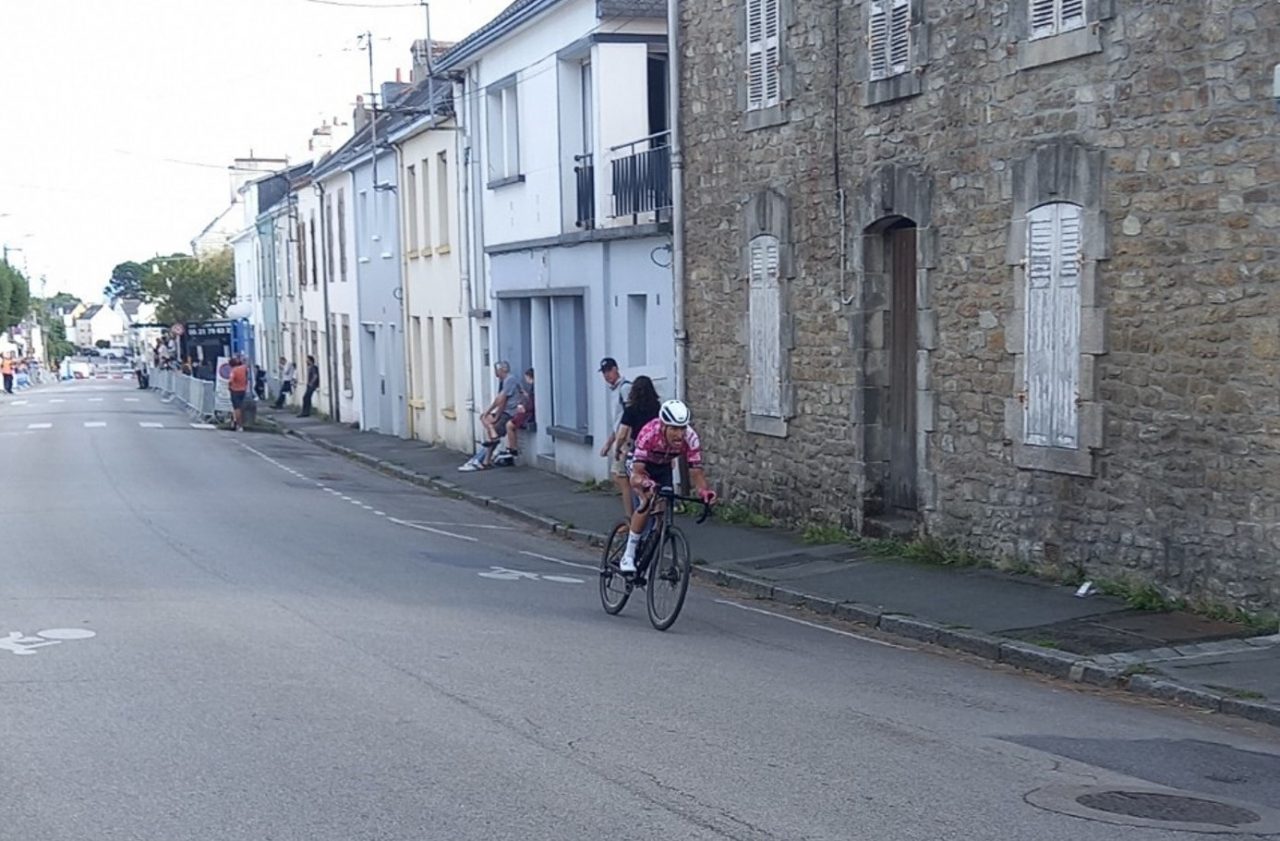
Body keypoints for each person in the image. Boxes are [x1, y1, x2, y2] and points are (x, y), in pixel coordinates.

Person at [619, 399, 717, 573]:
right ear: (663, 426)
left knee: (663, 506)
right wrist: (645, 483)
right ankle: (629, 553)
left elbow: (696, 471)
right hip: (640, 465)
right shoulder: (649, 433)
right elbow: (637, 473)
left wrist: (704, 492)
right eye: (674, 428)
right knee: (647, 500)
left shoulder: (691, 438)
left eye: (683, 428)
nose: (679, 434)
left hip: (663, 466)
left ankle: (653, 540)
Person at [459, 361, 521, 472]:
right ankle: (486, 456)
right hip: (505, 412)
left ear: (502, 370)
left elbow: (502, 401)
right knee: (484, 418)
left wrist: (496, 415)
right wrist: (488, 412)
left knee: (493, 436)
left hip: (509, 413)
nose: (495, 373)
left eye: (496, 370)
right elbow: (499, 399)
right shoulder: (504, 381)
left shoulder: (509, 380)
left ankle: (482, 460)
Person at [597, 358, 634, 515]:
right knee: (618, 477)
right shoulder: (614, 391)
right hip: (619, 439)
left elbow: (630, 417)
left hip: (625, 441)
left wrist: (626, 443)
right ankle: (632, 513)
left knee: (622, 479)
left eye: (609, 371)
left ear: (616, 369)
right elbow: (617, 422)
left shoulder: (624, 389)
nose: (606, 375)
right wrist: (608, 443)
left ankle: (631, 517)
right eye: (604, 372)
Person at [614, 375, 661, 478]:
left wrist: (617, 449)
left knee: (636, 479)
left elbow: (622, 434)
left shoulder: (631, 410)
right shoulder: (658, 407)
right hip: (656, 448)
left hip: (638, 449)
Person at [227, 354, 249, 431]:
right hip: (243, 389)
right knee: (240, 407)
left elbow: (231, 380)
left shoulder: (234, 371)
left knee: (237, 408)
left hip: (235, 390)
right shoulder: (243, 368)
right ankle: (237, 422)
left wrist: (229, 386)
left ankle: (239, 425)